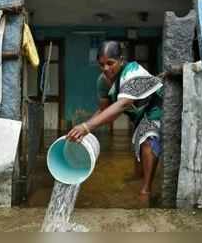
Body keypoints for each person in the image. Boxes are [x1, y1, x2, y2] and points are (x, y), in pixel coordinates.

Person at [66, 40, 163, 206]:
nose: (105, 69)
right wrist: (84, 129)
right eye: (101, 64)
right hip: (138, 115)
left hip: (156, 108)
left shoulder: (133, 71)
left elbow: (123, 104)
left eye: (110, 63)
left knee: (147, 141)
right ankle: (138, 175)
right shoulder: (102, 82)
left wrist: (86, 126)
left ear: (121, 60)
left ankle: (145, 189)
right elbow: (105, 110)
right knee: (137, 144)